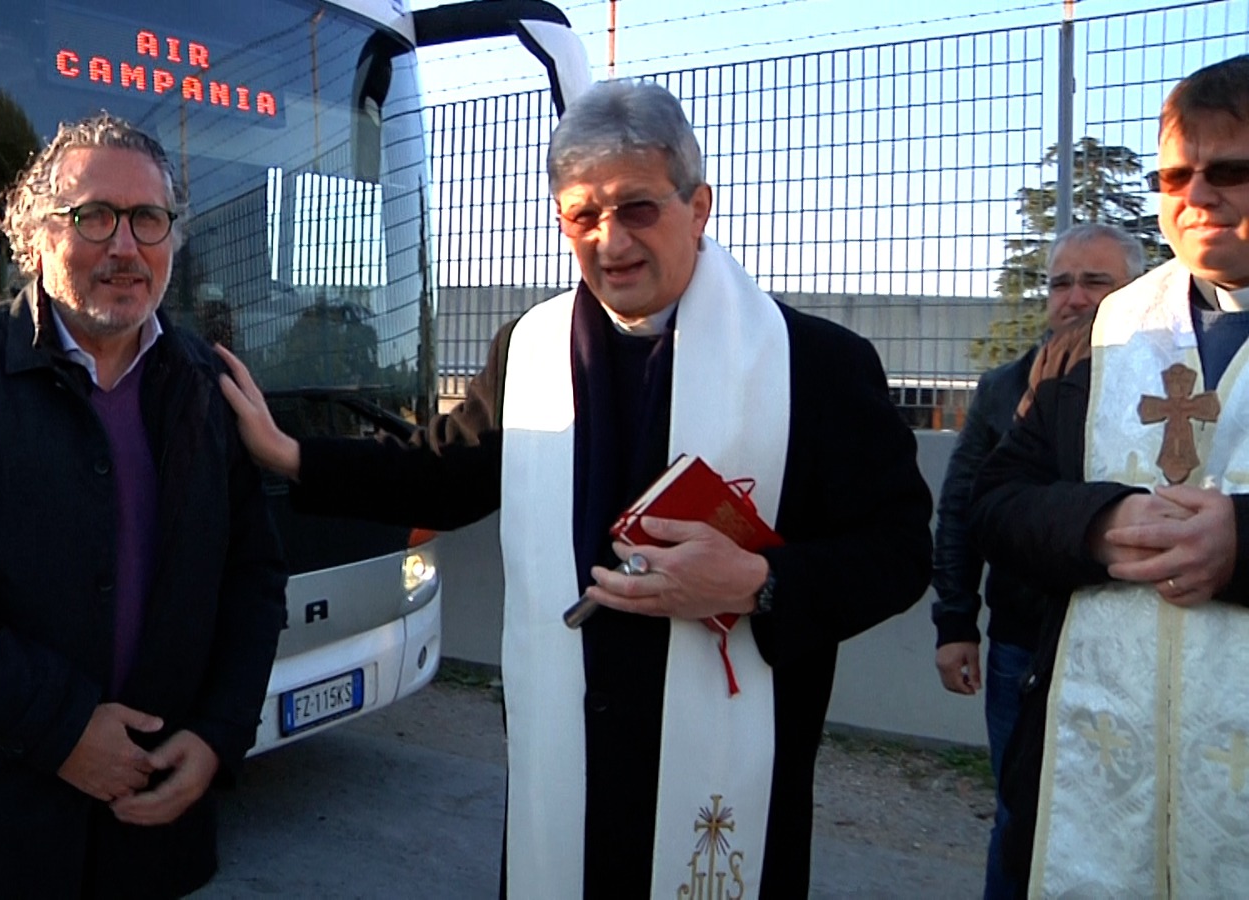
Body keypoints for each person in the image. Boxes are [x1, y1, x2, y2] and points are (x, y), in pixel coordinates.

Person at [217, 79, 932, 898]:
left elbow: (900, 552)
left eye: (637, 209)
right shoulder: (531, 348)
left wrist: (760, 583)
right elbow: (446, 473)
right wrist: (293, 456)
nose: (609, 241)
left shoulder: (815, 365)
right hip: (571, 753)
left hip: (729, 760)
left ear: (698, 208)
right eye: (582, 216)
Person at [0, 113, 288, 898]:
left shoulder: (207, 385)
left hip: (152, 842)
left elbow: (252, 580)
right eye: (93, 217)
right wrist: (61, 730)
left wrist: (219, 734)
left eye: (148, 218)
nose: (125, 246)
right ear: (36, 235)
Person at [970, 54, 1249, 896]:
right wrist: (1096, 525)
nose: (1197, 197)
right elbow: (996, 501)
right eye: (1175, 175)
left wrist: (1243, 541)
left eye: (1230, 171)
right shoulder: (1098, 338)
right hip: (1098, 766)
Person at [930, 223, 1143, 899]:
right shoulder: (1004, 388)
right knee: (1022, 813)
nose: (1075, 298)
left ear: (1138, 289)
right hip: (1022, 646)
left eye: (1096, 282)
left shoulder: (1166, 385)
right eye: (1060, 283)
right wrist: (955, 622)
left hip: (1129, 647)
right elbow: (962, 507)